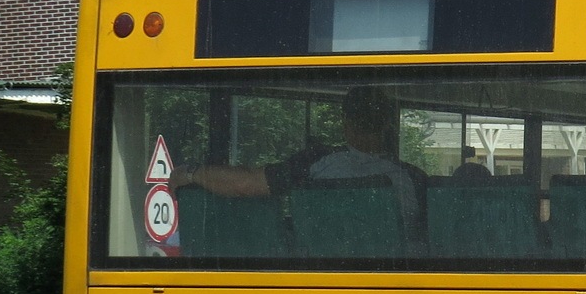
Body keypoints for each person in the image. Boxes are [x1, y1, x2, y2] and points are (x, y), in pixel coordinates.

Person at [175, 86, 427, 231]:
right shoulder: (414, 178)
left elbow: (245, 185)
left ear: (345, 122)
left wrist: (191, 173)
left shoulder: (317, 162)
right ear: (387, 125)